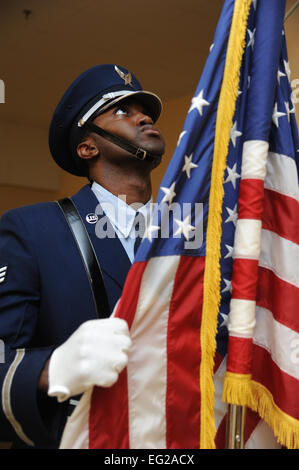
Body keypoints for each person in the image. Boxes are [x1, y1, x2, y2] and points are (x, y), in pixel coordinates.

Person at [0, 64, 166, 448]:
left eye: (146, 112)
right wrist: (51, 369)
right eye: (121, 110)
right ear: (87, 147)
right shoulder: (33, 230)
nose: (143, 117)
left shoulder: (189, 235)